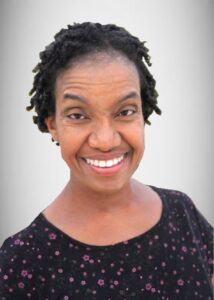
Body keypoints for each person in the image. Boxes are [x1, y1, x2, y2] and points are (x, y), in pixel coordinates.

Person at [0, 22, 213, 300]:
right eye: (78, 115)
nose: (105, 140)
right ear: (52, 124)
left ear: (143, 113)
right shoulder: (21, 262)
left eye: (125, 111)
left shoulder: (181, 213)